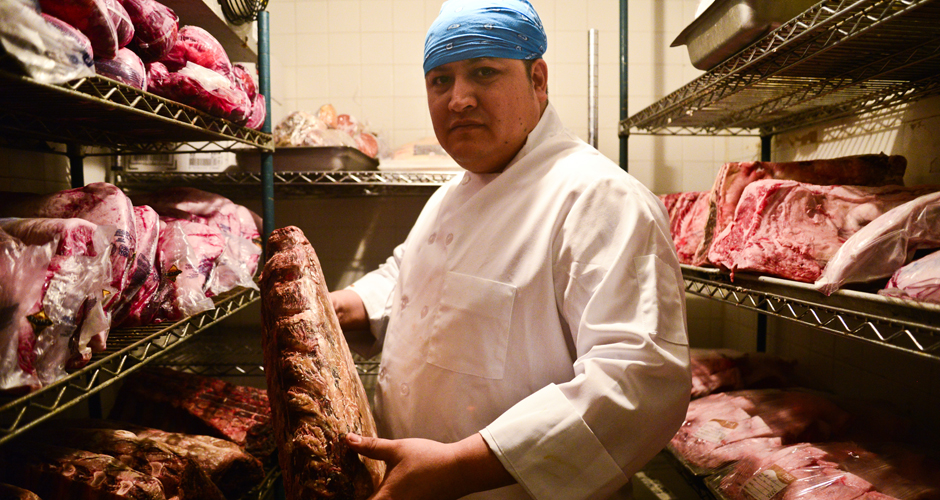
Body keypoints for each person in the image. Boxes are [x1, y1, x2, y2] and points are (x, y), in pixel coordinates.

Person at [330, 0, 691, 498]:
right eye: (440, 80)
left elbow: (638, 381)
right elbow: (411, 275)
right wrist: (354, 305)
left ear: (538, 79)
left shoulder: (599, 198)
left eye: (484, 72)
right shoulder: (452, 193)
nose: (458, 99)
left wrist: (459, 466)